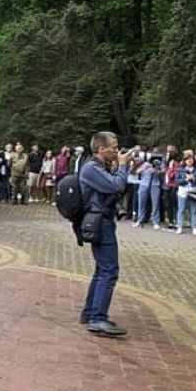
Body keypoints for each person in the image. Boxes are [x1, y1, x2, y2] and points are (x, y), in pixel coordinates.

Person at [78, 131, 132, 338]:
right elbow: (116, 185)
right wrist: (123, 167)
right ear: (101, 149)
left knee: (102, 268)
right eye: (114, 148)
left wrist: (119, 167)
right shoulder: (91, 169)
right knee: (109, 269)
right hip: (99, 222)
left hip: (102, 220)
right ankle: (98, 318)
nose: (117, 151)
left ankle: (90, 311)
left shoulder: (100, 167)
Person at [175, 153, 196, 235]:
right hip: (182, 192)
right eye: (187, 159)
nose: (189, 161)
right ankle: (179, 227)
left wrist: (193, 179)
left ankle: (194, 227)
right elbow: (177, 181)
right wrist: (186, 179)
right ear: (184, 161)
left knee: (194, 210)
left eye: (191, 159)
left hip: (193, 191)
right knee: (181, 209)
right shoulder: (180, 169)